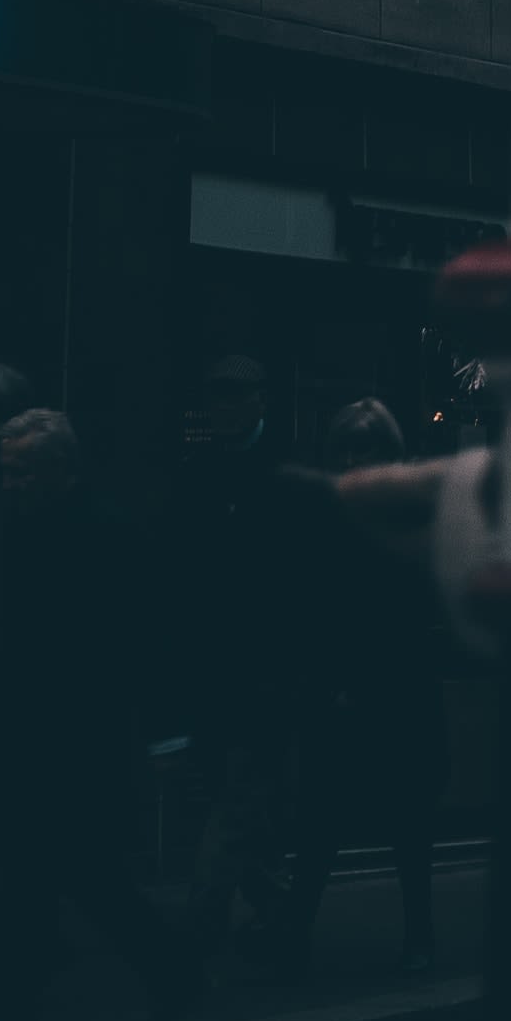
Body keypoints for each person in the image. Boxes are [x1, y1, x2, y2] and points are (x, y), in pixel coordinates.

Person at [0, 405, 196, 1021]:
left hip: (74, 741)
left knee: (32, 886)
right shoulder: (14, 523)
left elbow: (150, 641)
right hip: (24, 735)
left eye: (24, 472)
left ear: (62, 468)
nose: (12, 483)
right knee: (81, 882)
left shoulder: (104, 534)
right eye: (7, 472)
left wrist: (164, 735)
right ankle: (169, 974)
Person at [272, 394, 445, 980]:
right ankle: (295, 938)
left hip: (396, 689)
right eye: (344, 448)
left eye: (363, 448)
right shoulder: (329, 514)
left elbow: (410, 609)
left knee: (408, 826)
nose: (351, 459)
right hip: (334, 688)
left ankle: (418, 937)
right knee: (318, 825)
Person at [165, 344, 296, 951]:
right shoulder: (195, 475)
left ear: (260, 401)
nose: (220, 408)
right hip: (209, 672)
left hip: (264, 675)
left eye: (233, 396)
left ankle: (199, 931)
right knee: (235, 803)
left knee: (232, 802)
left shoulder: (286, 475)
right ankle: (280, 909)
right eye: (214, 396)